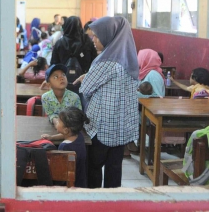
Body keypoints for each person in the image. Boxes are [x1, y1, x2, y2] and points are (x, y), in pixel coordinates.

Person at [76, 16, 139, 188]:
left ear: (108, 36)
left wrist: (85, 79)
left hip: (102, 126)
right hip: (121, 126)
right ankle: (112, 201)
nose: (93, 40)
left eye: (96, 36)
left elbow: (86, 88)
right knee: (114, 168)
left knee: (94, 167)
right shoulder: (127, 58)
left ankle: (95, 202)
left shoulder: (107, 61)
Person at [41, 106, 89, 188]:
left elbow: (60, 174)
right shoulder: (78, 135)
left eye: (59, 121)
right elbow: (65, 134)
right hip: (81, 182)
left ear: (66, 130)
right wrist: (51, 137)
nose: (57, 122)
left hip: (71, 185)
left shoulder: (64, 147)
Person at [51, 16, 97, 90]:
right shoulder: (87, 41)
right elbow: (94, 60)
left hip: (63, 83)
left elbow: (54, 63)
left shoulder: (60, 43)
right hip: (84, 82)